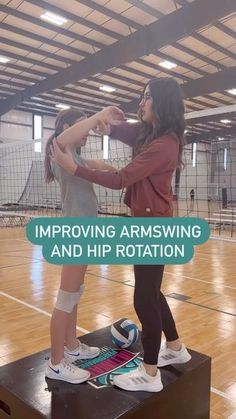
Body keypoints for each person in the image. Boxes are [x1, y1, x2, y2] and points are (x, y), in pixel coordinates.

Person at [51, 78, 192, 392]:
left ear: (162, 103)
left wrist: (76, 169)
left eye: (146, 98)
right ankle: (175, 347)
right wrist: (107, 124)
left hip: (153, 228)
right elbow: (121, 130)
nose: (140, 103)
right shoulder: (149, 133)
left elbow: (121, 178)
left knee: (143, 298)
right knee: (152, 293)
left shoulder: (165, 143)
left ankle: (150, 373)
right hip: (145, 223)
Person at [44, 108, 117, 384]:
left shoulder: (75, 158)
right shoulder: (59, 150)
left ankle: (72, 347)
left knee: (74, 294)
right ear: (65, 127)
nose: (86, 132)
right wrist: (96, 117)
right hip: (75, 234)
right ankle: (56, 362)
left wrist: (120, 170)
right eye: (80, 126)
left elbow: (98, 164)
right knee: (65, 298)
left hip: (87, 233)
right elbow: (65, 137)